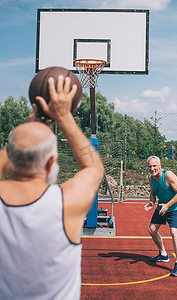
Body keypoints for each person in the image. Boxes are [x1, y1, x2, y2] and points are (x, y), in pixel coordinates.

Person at [0, 75, 104, 300]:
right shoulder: (65, 204)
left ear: (10, 155)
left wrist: (31, 127)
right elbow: (94, 168)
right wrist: (64, 118)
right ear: (50, 162)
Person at [144, 155, 177, 277]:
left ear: (160, 166)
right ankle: (163, 254)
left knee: (173, 232)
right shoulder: (151, 178)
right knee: (152, 230)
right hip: (161, 207)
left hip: (173, 207)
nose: (152, 168)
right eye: (150, 166)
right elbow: (152, 194)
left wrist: (167, 205)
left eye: (154, 166)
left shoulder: (168, 175)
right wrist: (151, 202)